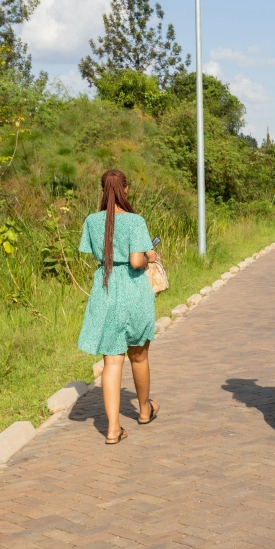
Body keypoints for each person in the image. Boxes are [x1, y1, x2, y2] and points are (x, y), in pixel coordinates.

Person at [78, 170, 160, 445]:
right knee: (139, 356)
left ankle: (113, 429)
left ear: (102, 190)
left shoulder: (91, 221)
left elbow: (96, 254)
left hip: (106, 288)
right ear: (125, 190)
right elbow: (137, 261)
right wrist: (151, 254)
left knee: (111, 361)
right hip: (133, 291)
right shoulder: (136, 221)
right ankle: (145, 410)